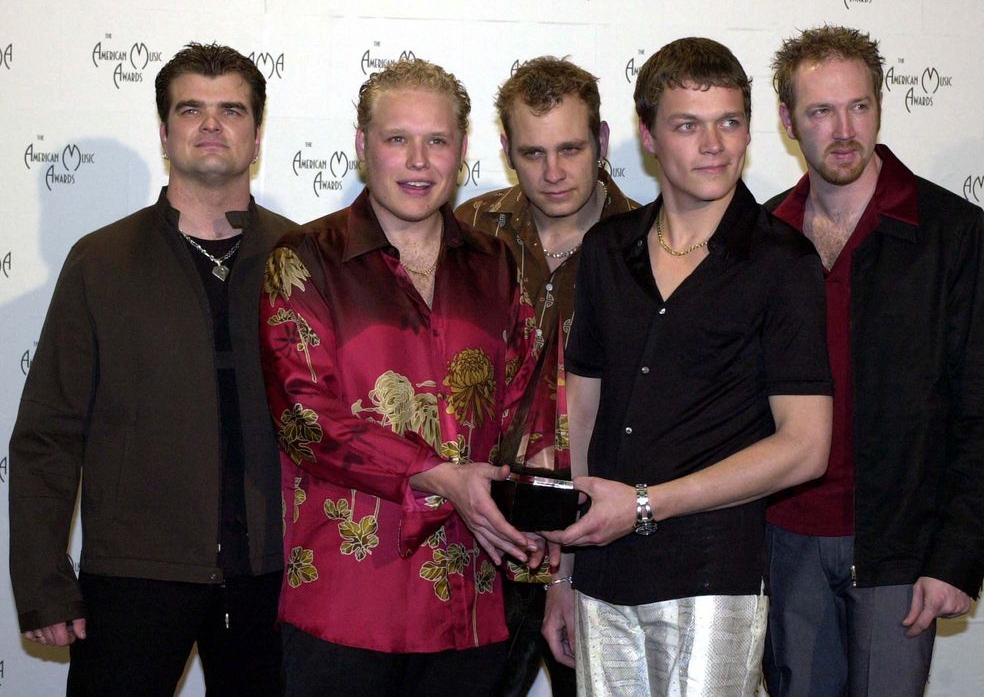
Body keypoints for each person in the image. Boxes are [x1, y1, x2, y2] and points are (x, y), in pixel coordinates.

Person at [540, 37, 834, 695]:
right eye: (687, 125)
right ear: (647, 136)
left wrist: (646, 506)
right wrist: (565, 569)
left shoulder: (781, 262)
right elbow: (582, 415)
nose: (714, 145)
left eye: (729, 122)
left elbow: (806, 448)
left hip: (712, 578)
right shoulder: (606, 251)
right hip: (601, 578)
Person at [9, 43, 293, 695]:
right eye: (191, 108)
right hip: (133, 576)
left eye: (231, 109)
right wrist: (44, 580)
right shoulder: (101, 262)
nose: (211, 123)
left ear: (257, 131)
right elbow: (47, 433)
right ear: (165, 130)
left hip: (273, 579)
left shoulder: (303, 258)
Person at [259, 58, 543, 696]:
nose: (419, 161)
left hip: (469, 604)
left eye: (436, 140)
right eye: (397, 139)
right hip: (345, 605)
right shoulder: (304, 259)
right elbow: (306, 420)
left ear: (462, 150)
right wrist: (441, 476)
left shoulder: (497, 265)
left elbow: (526, 409)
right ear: (363, 147)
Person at [762, 25, 984, 697]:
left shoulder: (949, 232)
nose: (844, 130)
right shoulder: (761, 237)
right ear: (788, 121)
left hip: (900, 548)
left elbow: (983, 410)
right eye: (820, 111)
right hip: (783, 543)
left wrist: (958, 557)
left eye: (860, 107)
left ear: (879, 105)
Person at [455, 55, 637, 697]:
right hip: (480, 541)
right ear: (505, 148)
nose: (554, 173)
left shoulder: (653, 241)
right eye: (533, 153)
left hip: (606, 543)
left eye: (570, 148)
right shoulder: (466, 232)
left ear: (602, 141)